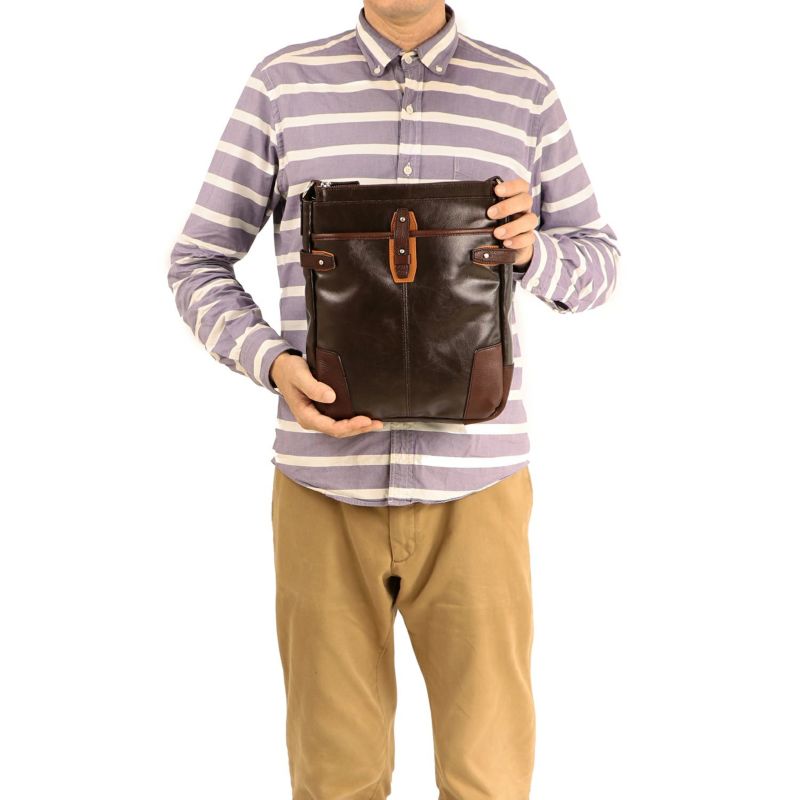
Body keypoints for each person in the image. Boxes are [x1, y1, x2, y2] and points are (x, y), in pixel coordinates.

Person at [167, 2, 620, 796]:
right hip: (320, 487)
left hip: (478, 489)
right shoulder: (282, 85)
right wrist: (273, 363)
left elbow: (599, 265)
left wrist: (532, 251)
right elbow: (197, 261)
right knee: (334, 779)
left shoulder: (524, 91)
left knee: (489, 780)